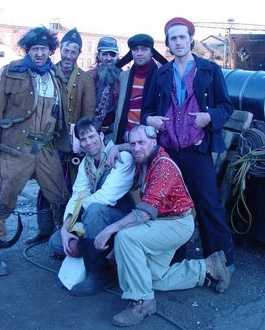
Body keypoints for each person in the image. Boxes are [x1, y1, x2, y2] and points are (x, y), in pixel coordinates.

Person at [94, 125, 229, 327]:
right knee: (151, 278)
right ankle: (209, 268)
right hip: (163, 222)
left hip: (177, 223)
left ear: (154, 141)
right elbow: (131, 146)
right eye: (133, 144)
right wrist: (117, 147)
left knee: (125, 237)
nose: (136, 147)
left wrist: (109, 229)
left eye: (141, 143)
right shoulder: (144, 156)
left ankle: (142, 302)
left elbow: (144, 212)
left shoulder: (163, 166)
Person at [141, 17, 235, 286]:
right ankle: (175, 263)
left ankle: (223, 264)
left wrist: (209, 117)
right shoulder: (160, 74)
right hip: (168, 153)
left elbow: (226, 107)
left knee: (208, 206)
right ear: (168, 43)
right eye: (173, 38)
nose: (179, 42)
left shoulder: (210, 70)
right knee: (170, 208)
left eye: (183, 37)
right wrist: (150, 121)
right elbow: (147, 111)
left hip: (197, 150)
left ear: (191, 39)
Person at [0, 27, 70, 276]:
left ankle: (67, 247)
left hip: (46, 149)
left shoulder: (56, 76)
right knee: (3, 201)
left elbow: (62, 114)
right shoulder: (12, 71)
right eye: (35, 49)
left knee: (61, 199)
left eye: (44, 49)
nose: (40, 53)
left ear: (50, 50)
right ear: (28, 50)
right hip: (15, 149)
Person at [49, 116, 135, 296]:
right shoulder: (85, 163)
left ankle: (100, 273)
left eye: (91, 136)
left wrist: (77, 221)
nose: (88, 143)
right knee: (57, 242)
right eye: (83, 139)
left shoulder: (122, 157)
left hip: (121, 219)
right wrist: (66, 228)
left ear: (101, 136)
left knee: (95, 209)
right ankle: (103, 255)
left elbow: (106, 197)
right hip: (94, 217)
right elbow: (78, 195)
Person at [25, 27, 96, 245]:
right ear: (60, 50)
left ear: (78, 54)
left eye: (74, 50)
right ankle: (44, 230)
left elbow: (88, 114)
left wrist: (81, 143)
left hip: (72, 143)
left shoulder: (85, 79)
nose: (69, 54)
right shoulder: (46, 73)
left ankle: (67, 233)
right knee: (44, 187)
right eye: (66, 49)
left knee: (72, 187)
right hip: (45, 140)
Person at [112, 33, 168, 144]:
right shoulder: (123, 77)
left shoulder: (162, 78)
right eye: (135, 49)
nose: (139, 53)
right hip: (125, 135)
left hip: (149, 137)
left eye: (144, 49)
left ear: (151, 52)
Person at [87, 37, 121, 134]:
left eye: (112, 54)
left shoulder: (123, 77)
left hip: (114, 128)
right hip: (91, 128)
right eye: (105, 54)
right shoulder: (89, 76)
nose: (109, 58)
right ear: (99, 56)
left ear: (117, 56)